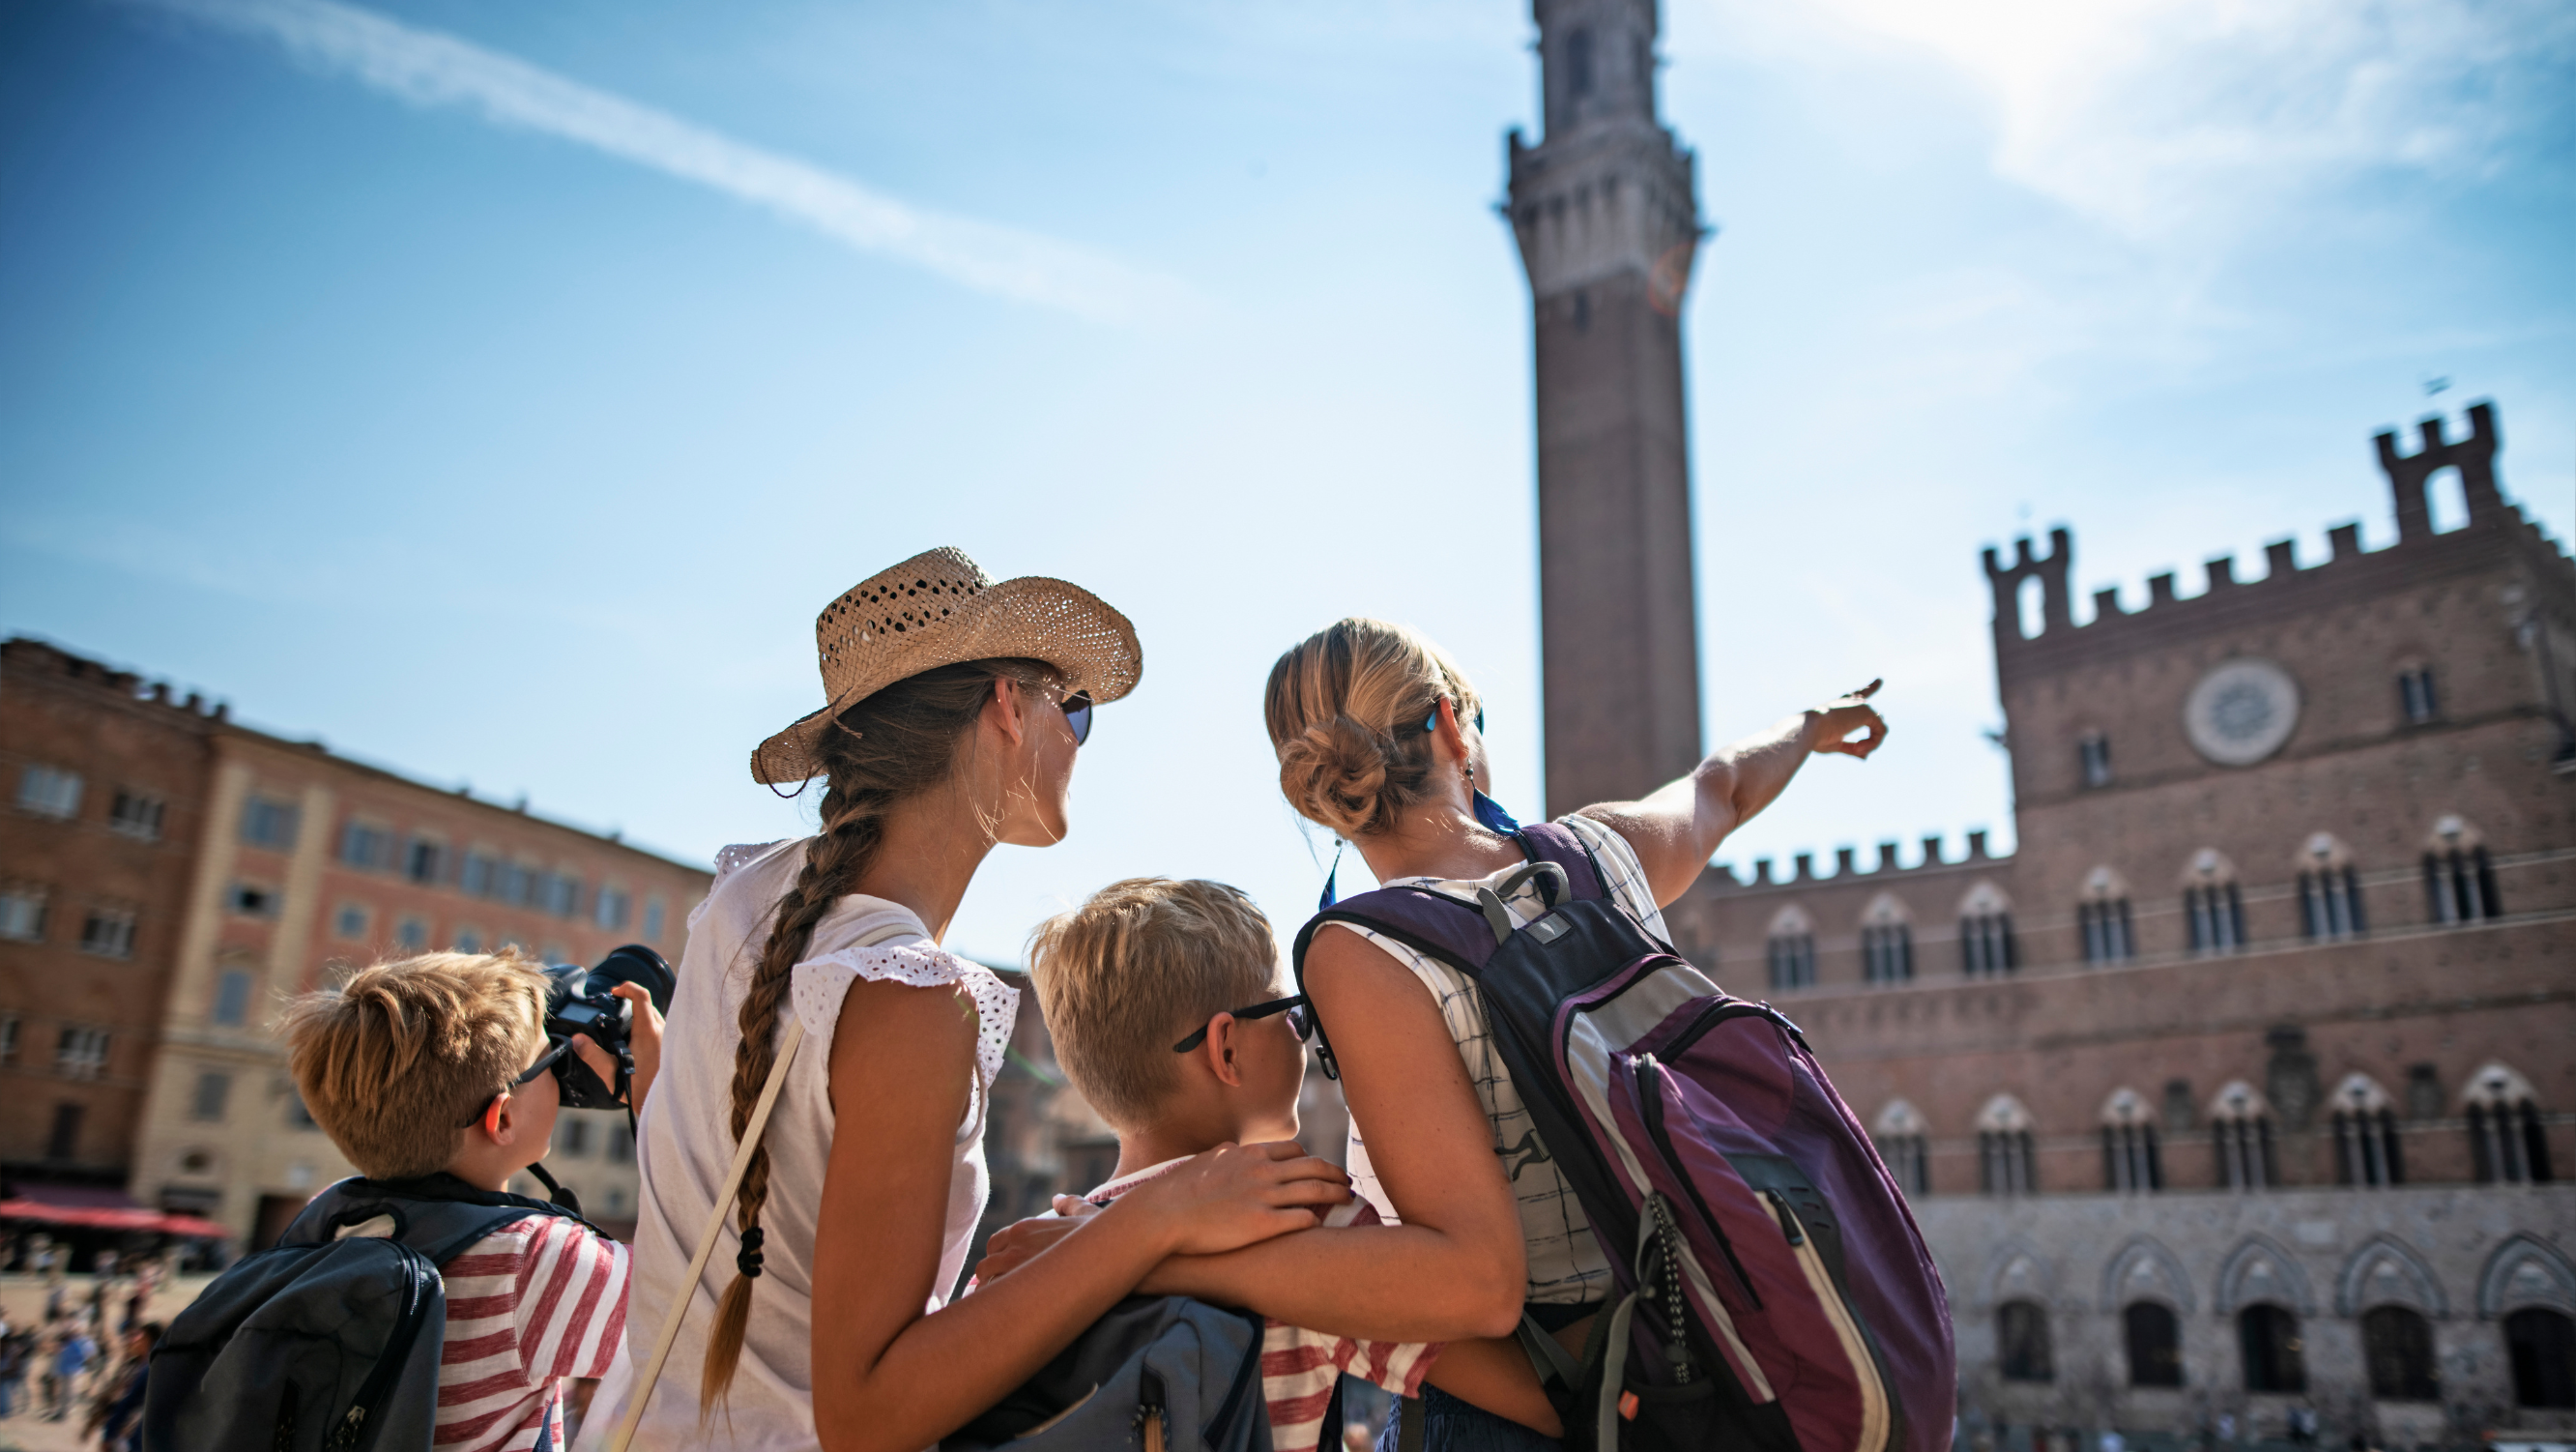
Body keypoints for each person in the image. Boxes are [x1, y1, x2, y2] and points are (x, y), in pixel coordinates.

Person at [980, 619, 1887, 1451]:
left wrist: (1140, 1250)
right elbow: (1719, 789)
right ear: (1453, 728)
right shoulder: (1598, 853)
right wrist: (1808, 727)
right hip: (1707, 1341)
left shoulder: (1362, 949)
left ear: (1317, 790)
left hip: (1556, 1392)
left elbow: (1472, 1289)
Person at [582, 549, 1351, 1452]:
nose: (1076, 738)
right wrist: (1159, 1216)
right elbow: (869, 1415)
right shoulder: (909, 996)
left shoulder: (744, 905)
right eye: (1074, 709)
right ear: (1004, 706)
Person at [1019, 877, 1559, 1451]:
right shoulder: (1296, 1216)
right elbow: (1537, 1400)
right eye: (1293, 1014)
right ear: (1226, 1050)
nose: (1306, 1035)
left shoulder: (1031, 1254)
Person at [277, 948, 663, 1452]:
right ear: (501, 1119)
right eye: (551, 1059)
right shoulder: (534, 1261)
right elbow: (708, 1311)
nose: (564, 1071)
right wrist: (658, 1104)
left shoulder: (329, 1217)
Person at [85, 1321, 159, 1452]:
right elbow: (112, 1396)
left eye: (139, 1337)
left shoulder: (151, 1369)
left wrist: (109, 1432)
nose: (134, 1341)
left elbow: (129, 1402)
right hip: (123, 1431)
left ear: (148, 1339)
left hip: (132, 1432)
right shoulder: (133, 1365)